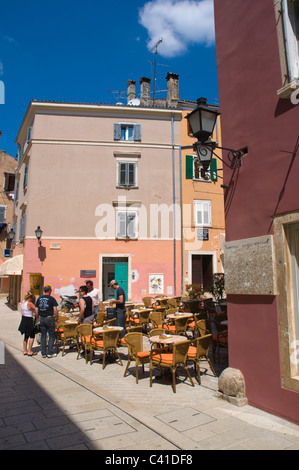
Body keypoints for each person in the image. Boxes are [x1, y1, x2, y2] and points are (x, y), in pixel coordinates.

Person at [35, 285, 58, 358]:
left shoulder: (39, 299)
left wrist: (37, 317)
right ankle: (49, 352)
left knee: (43, 335)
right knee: (51, 335)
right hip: (49, 318)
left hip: (42, 318)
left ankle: (43, 353)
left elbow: (36, 309)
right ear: (49, 291)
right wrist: (57, 318)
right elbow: (55, 309)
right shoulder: (52, 299)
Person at [18, 291, 37, 356]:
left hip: (23, 319)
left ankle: (25, 350)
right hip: (29, 320)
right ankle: (30, 351)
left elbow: (25, 311)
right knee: (32, 336)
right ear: (30, 298)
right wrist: (36, 316)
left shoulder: (23, 303)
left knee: (26, 336)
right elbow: (36, 309)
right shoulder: (30, 303)